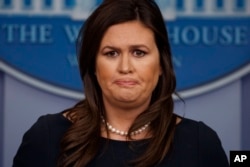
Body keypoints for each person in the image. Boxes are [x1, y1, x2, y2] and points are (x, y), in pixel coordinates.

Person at [13, 0, 229, 167]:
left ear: (161, 64)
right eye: (112, 53)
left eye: (139, 52)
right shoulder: (47, 137)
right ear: (93, 66)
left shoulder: (201, 142)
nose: (125, 67)